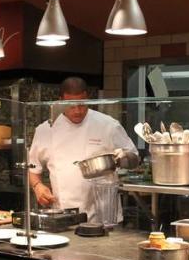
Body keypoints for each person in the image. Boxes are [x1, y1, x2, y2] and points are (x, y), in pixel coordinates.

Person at [27, 77, 139, 223]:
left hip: (103, 216)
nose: (78, 111)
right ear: (60, 101)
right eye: (71, 106)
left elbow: (134, 159)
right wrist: (38, 187)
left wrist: (123, 157)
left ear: (88, 99)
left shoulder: (108, 125)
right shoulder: (45, 130)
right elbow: (33, 169)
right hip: (62, 216)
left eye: (82, 104)